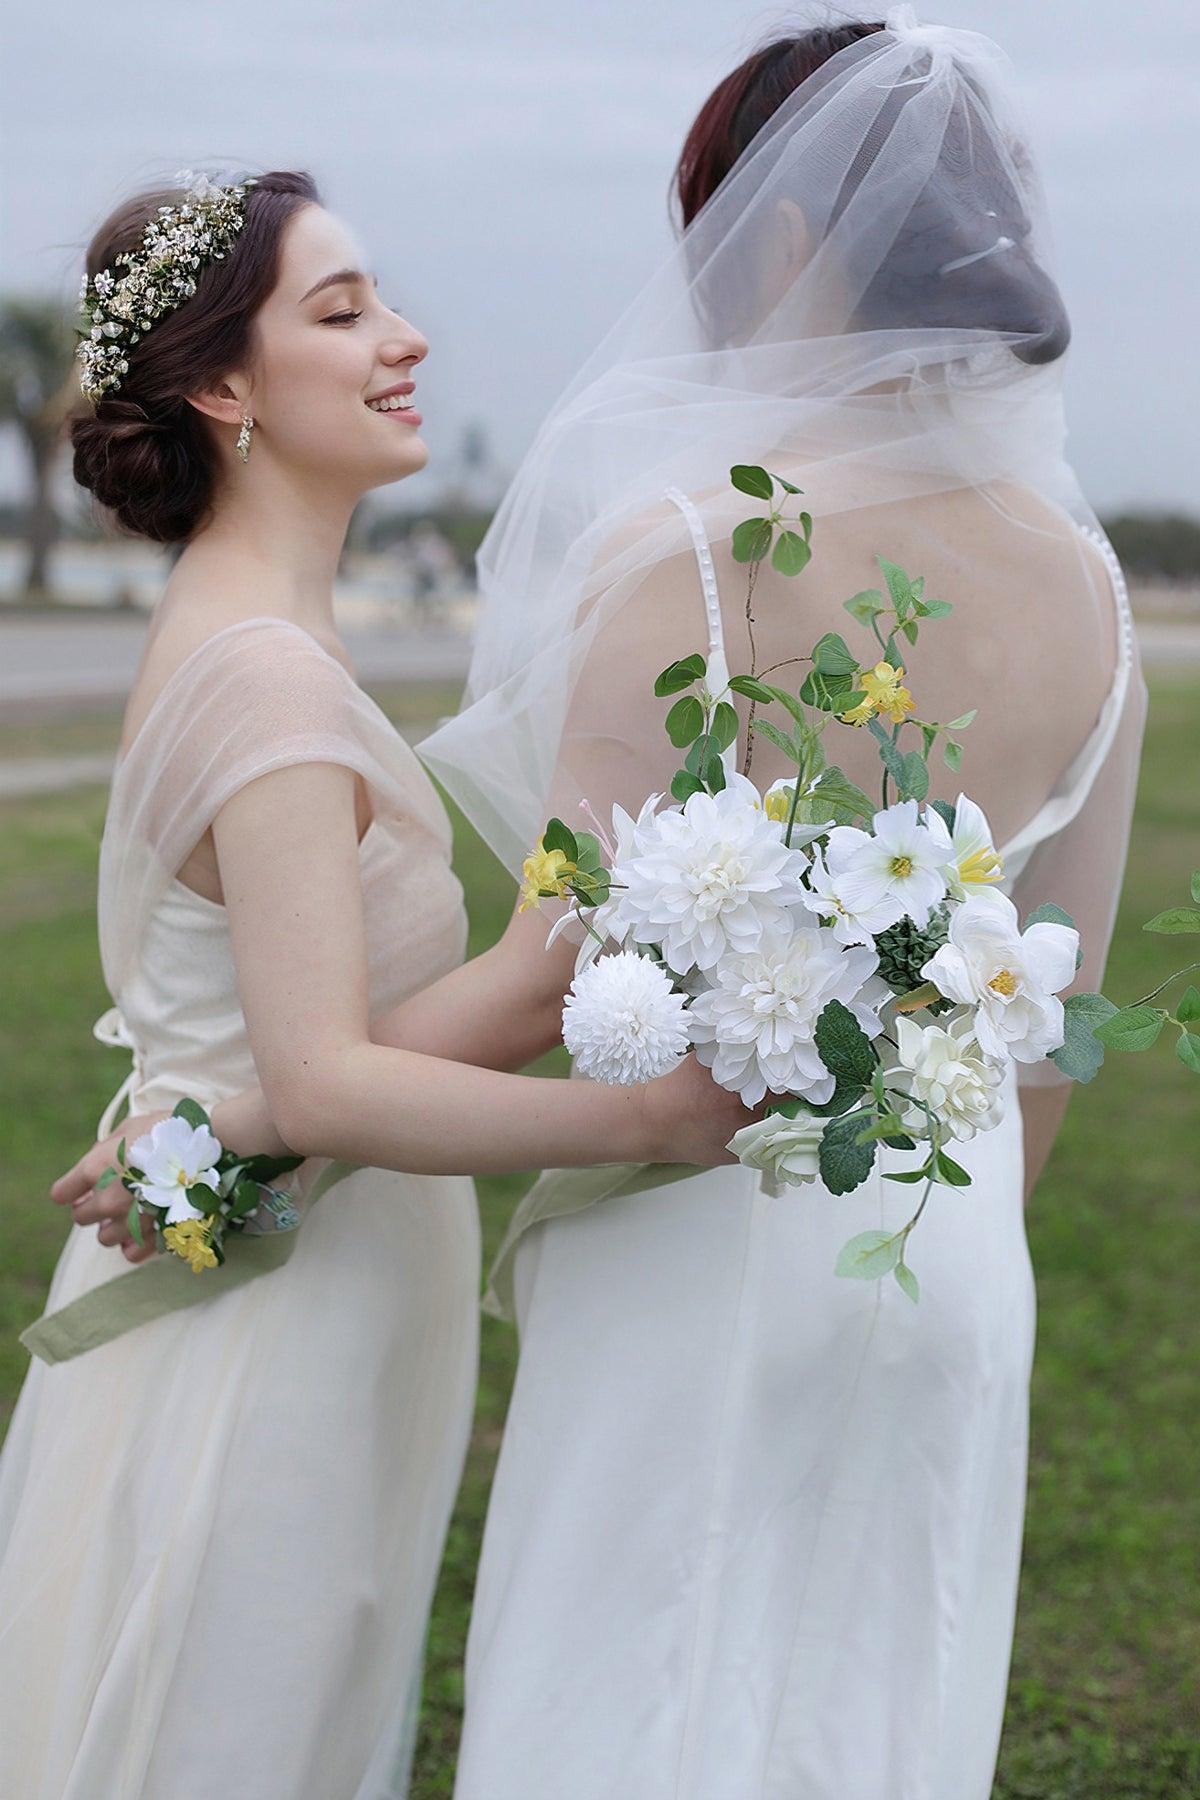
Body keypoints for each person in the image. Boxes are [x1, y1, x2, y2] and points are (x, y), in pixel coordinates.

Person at [3, 168, 746, 1800]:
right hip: (264, 1330)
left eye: (382, 302)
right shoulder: (266, 679)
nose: (404, 339)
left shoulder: (268, 629)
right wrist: (661, 1120)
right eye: (341, 314)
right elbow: (327, 1084)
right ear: (219, 385)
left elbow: (352, 1050)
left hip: (296, 1266)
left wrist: (589, 893)